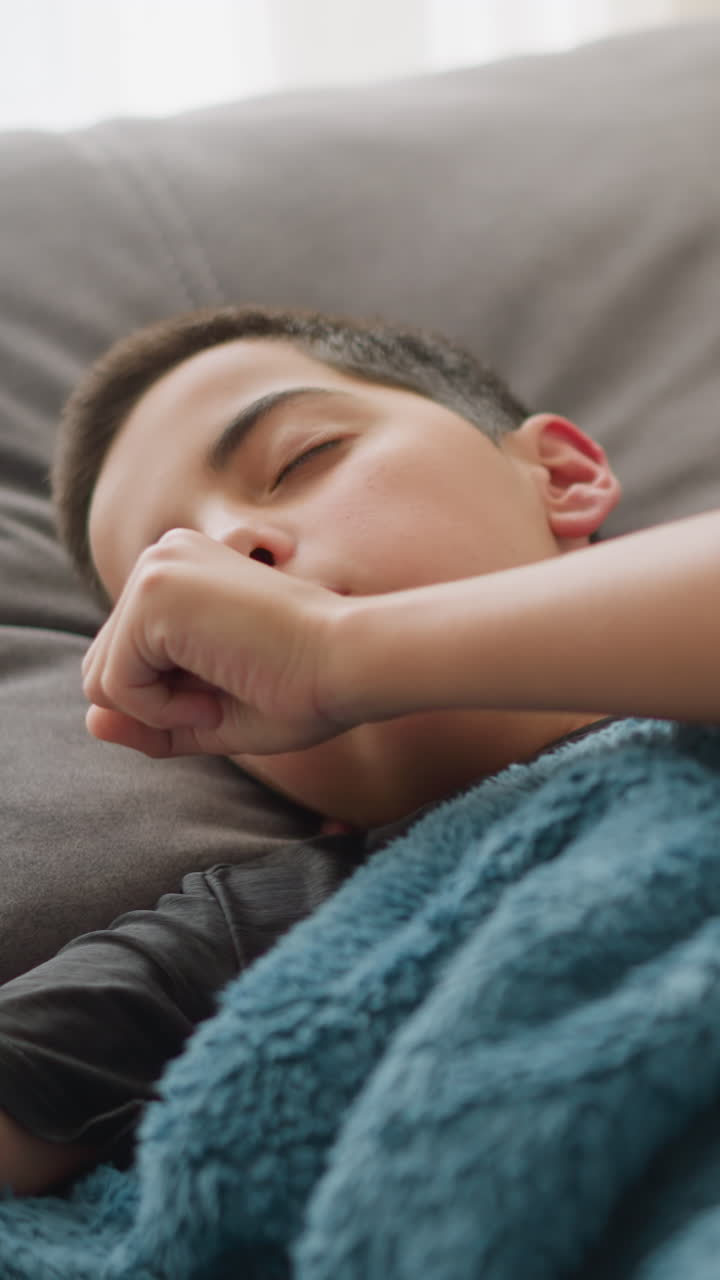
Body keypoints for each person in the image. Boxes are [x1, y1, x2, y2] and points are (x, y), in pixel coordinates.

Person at [0, 303, 718, 1196]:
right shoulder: (252, 936)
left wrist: (342, 649)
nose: (230, 551)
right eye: (168, 587)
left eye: (302, 459)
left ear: (563, 475)